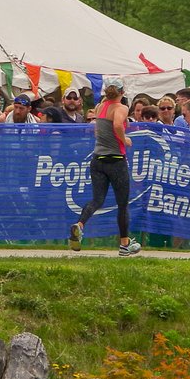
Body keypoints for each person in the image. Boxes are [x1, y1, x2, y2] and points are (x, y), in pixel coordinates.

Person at [67, 80, 141, 255]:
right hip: (115, 160)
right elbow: (116, 125)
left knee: (97, 200)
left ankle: (79, 225)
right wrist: (125, 140)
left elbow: (97, 130)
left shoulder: (100, 107)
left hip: (97, 159)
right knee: (122, 205)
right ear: (122, 92)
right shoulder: (121, 108)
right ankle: (124, 244)